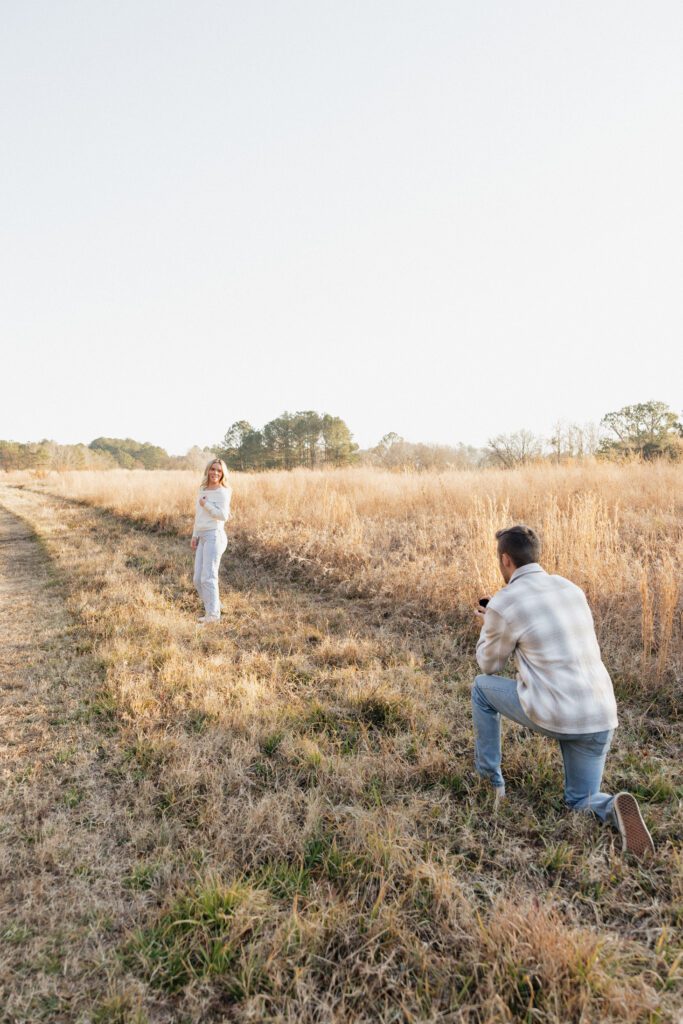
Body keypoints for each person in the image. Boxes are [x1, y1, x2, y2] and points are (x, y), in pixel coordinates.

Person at [473, 524, 655, 858]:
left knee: (481, 690)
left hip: (556, 712)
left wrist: (490, 624)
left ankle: (491, 783)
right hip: (600, 714)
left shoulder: (504, 602)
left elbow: (489, 666)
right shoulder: (572, 589)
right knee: (579, 802)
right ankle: (611, 805)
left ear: (506, 560)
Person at [191, 458, 232, 624]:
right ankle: (215, 606)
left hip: (215, 535)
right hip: (202, 535)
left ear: (223, 474)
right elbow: (198, 514)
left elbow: (223, 516)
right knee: (197, 579)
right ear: (208, 470)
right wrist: (195, 535)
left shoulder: (223, 491)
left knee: (208, 577)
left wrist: (207, 504)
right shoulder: (203, 489)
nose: (215, 473)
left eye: (219, 471)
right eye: (213, 469)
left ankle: (213, 616)